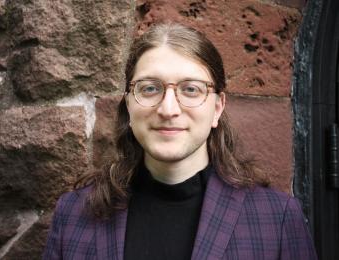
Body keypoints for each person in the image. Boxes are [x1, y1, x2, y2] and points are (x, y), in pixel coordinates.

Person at [42, 23, 317, 260]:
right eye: (150, 88)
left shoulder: (276, 219)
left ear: (218, 108)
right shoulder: (74, 214)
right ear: (128, 103)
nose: (168, 109)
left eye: (191, 89)